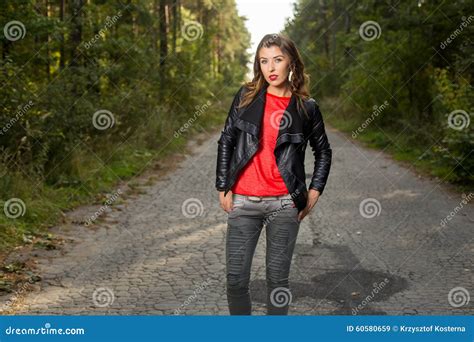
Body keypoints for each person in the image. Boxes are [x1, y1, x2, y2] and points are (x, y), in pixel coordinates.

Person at [215, 33, 332, 315]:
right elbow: (227, 139)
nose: (271, 68)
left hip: (284, 203)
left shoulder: (306, 107)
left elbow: (323, 151)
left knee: (278, 282)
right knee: (235, 281)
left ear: (291, 61)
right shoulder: (246, 97)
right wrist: (223, 186)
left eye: (278, 60)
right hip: (243, 199)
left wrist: (313, 193)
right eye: (264, 61)